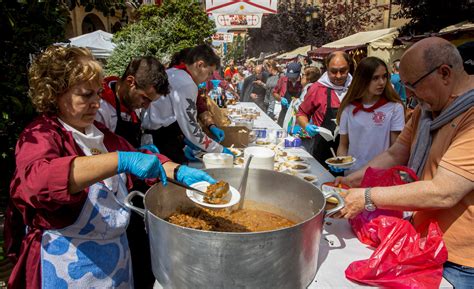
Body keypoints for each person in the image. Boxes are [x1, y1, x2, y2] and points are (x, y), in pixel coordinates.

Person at [3, 45, 217, 289]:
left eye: (97, 94)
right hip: (67, 266)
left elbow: (139, 156)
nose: (96, 103)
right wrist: (119, 161)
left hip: (115, 264)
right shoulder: (41, 134)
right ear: (55, 94)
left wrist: (178, 171)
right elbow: (37, 182)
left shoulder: (97, 133)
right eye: (86, 95)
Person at [334, 37, 474, 288]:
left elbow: (445, 192)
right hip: (422, 243)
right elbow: (396, 152)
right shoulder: (425, 110)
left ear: (444, 73)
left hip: (461, 264)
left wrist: (367, 196)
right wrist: (351, 180)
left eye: (413, 85)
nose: (407, 94)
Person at [141, 44, 232, 164]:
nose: (209, 78)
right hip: (161, 142)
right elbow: (191, 128)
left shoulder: (175, 73)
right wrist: (219, 150)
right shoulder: (186, 83)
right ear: (200, 65)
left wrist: (187, 143)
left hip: (158, 137)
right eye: (209, 73)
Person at [334, 56, 405, 175]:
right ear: (362, 80)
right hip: (352, 176)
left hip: (380, 177)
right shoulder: (348, 108)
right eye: (375, 78)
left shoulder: (394, 108)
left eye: (384, 77)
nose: (382, 82)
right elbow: (343, 145)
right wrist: (339, 163)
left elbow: (395, 149)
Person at [96, 56, 169, 148]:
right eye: (144, 98)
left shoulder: (131, 103)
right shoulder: (100, 109)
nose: (146, 106)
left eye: (151, 101)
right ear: (130, 82)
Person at [296, 51, 353, 169]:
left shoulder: (355, 87)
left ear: (349, 68)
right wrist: (306, 126)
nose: (338, 76)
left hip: (351, 149)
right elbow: (301, 113)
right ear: (327, 69)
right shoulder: (317, 88)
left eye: (343, 71)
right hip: (322, 149)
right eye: (333, 71)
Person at [283, 66, 321, 152]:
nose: (301, 77)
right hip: (303, 128)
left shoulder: (310, 88)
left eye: (303, 75)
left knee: (302, 151)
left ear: (309, 78)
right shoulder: (308, 88)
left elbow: (305, 107)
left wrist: (296, 102)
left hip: (304, 128)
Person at [273, 62, 303, 126]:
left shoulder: (303, 82)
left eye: (293, 77)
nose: (291, 79)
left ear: (299, 74)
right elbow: (274, 93)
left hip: (296, 116)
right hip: (283, 113)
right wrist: (280, 98)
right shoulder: (283, 79)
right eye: (289, 76)